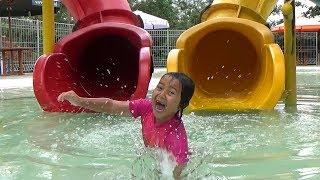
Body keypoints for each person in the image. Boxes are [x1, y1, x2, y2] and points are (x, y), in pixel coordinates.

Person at [58, 72, 195, 179]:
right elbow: (111, 106)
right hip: (153, 153)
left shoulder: (176, 139)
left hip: (170, 159)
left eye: (171, 92)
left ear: (180, 105)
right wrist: (80, 101)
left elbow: (177, 174)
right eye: (160, 87)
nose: (162, 94)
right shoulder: (146, 107)